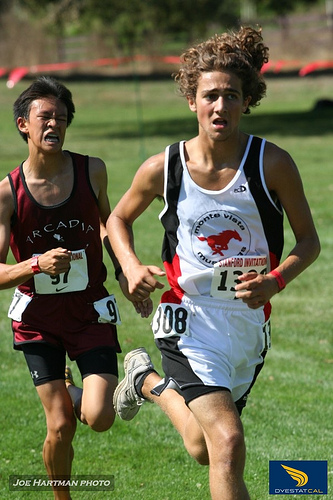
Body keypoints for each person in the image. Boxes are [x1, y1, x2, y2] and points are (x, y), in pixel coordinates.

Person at [107, 26, 320, 500]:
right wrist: (130, 267)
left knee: (204, 448)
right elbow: (117, 218)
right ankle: (154, 374)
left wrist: (276, 280)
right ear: (192, 100)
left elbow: (309, 242)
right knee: (228, 442)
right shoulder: (165, 167)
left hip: (247, 326)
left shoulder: (272, 163)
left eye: (231, 95)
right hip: (188, 320)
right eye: (210, 96)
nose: (220, 106)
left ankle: (145, 381)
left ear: (246, 101)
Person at [0, 76, 149, 500]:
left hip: (90, 311)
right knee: (61, 424)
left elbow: (109, 225)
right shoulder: (7, 194)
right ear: (22, 125)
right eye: (44, 117)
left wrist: (126, 273)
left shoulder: (92, 170)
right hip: (37, 320)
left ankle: (70, 385)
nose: (54, 125)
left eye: (61, 119)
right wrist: (35, 264)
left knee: (100, 416)